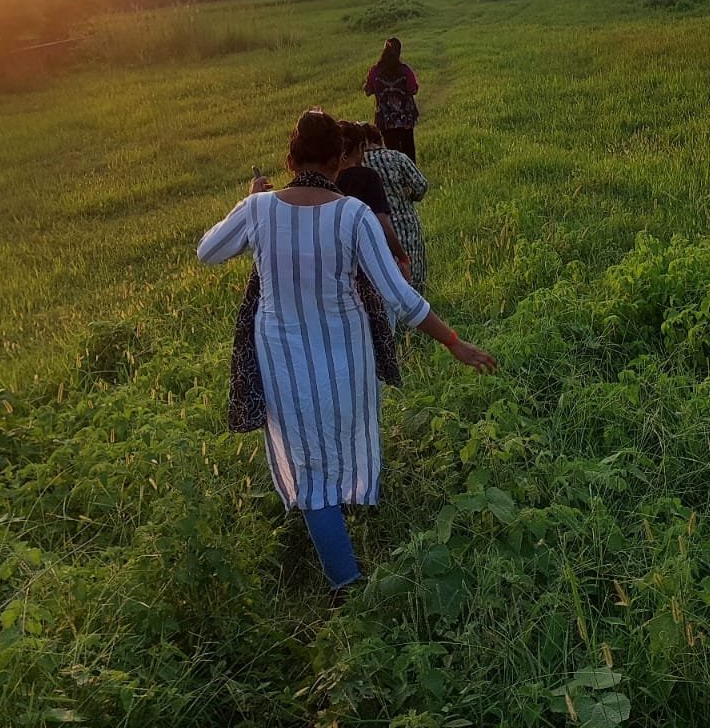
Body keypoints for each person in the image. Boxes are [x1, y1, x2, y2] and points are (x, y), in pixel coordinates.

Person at [197, 109, 496, 595]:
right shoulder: (353, 215)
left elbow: (208, 251)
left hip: (281, 358)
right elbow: (401, 298)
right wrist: (454, 342)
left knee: (307, 464)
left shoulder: (259, 209)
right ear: (339, 161)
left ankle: (345, 582)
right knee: (342, 440)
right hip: (347, 356)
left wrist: (249, 198)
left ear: (290, 160)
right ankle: (344, 550)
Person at [362, 122, 430, 294]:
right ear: (379, 139)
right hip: (407, 224)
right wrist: (407, 197)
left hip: (377, 227)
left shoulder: (358, 164)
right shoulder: (397, 157)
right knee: (414, 273)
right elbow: (421, 185)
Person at [363, 37, 420, 161]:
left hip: (385, 120)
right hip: (405, 119)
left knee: (392, 154)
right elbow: (413, 89)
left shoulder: (375, 71)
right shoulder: (405, 70)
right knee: (409, 152)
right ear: (399, 52)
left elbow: (367, 90)